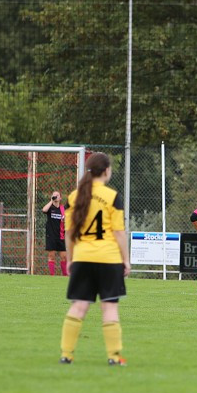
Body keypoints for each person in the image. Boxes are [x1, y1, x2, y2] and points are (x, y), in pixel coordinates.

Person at [59, 152, 129, 366]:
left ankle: (67, 354)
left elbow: (69, 232)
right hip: (108, 258)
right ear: (107, 170)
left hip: (82, 257)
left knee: (79, 306)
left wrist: (71, 258)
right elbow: (118, 232)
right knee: (109, 307)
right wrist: (126, 260)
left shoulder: (74, 196)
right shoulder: (112, 196)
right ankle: (114, 357)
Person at [41, 191, 68, 276]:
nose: (55, 196)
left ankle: (65, 276)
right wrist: (51, 201)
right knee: (51, 256)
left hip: (61, 235)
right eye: (54, 195)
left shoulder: (63, 209)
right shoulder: (50, 208)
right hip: (51, 235)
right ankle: (52, 276)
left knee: (64, 257)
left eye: (57, 195)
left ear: (60, 198)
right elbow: (44, 210)